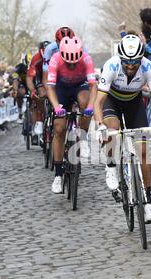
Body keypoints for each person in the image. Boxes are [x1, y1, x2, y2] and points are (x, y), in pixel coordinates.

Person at [93, 35, 151, 223]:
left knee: (144, 151)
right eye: (127, 62)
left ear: (142, 59)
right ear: (120, 58)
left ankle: (147, 202)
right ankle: (111, 166)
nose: (131, 66)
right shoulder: (111, 66)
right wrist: (100, 127)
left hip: (134, 102)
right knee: (112, 128)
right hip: (111, 100)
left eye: (135, 62)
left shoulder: (147, 66)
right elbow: (97, 102)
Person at [46, 36, 97, 193]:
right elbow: (50, 87)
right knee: (59, 128)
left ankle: (82, 138)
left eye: (75, 62)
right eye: (69, 63)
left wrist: (89, 107)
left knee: (84, 101)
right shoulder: (55, 59)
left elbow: (93, 86)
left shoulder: (87, 59)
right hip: (61, 88)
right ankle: (58, 175)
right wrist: (56, 107)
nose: (72, 64)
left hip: (79, 86)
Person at [27, 40, 50, 143]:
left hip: (52, 76)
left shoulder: (56, 55)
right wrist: (32, 90)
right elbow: (29, 78)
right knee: (41, 94)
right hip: (39, 76)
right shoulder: (36, 58)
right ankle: (40, 121)